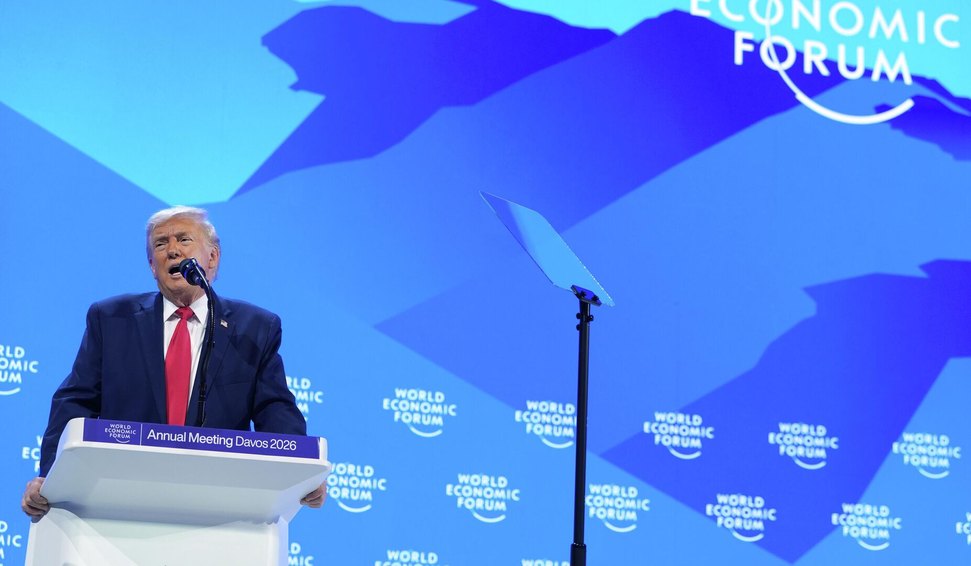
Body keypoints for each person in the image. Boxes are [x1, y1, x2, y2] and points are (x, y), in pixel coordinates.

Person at [22, 206, 325, 519]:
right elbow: (75, 402)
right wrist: (51, 479)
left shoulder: (253, 328)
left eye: (184, 239)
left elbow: (275, 410)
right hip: (121, 500)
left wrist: (300, 474)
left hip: (217, 506)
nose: (173, 250)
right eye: (160, 244)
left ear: (212, 258)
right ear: (152, 266)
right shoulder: (111, 320)